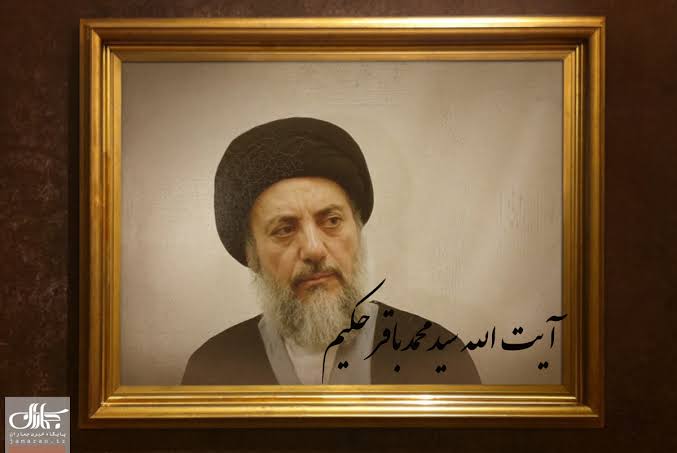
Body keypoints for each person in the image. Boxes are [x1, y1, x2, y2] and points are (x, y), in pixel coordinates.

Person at [181, 117, 480, 385]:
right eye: (284, 229)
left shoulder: (435, 355)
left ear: (358, 230)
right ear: (253, 255)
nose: (314, 249)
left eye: (332, 221)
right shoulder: (212, 371)